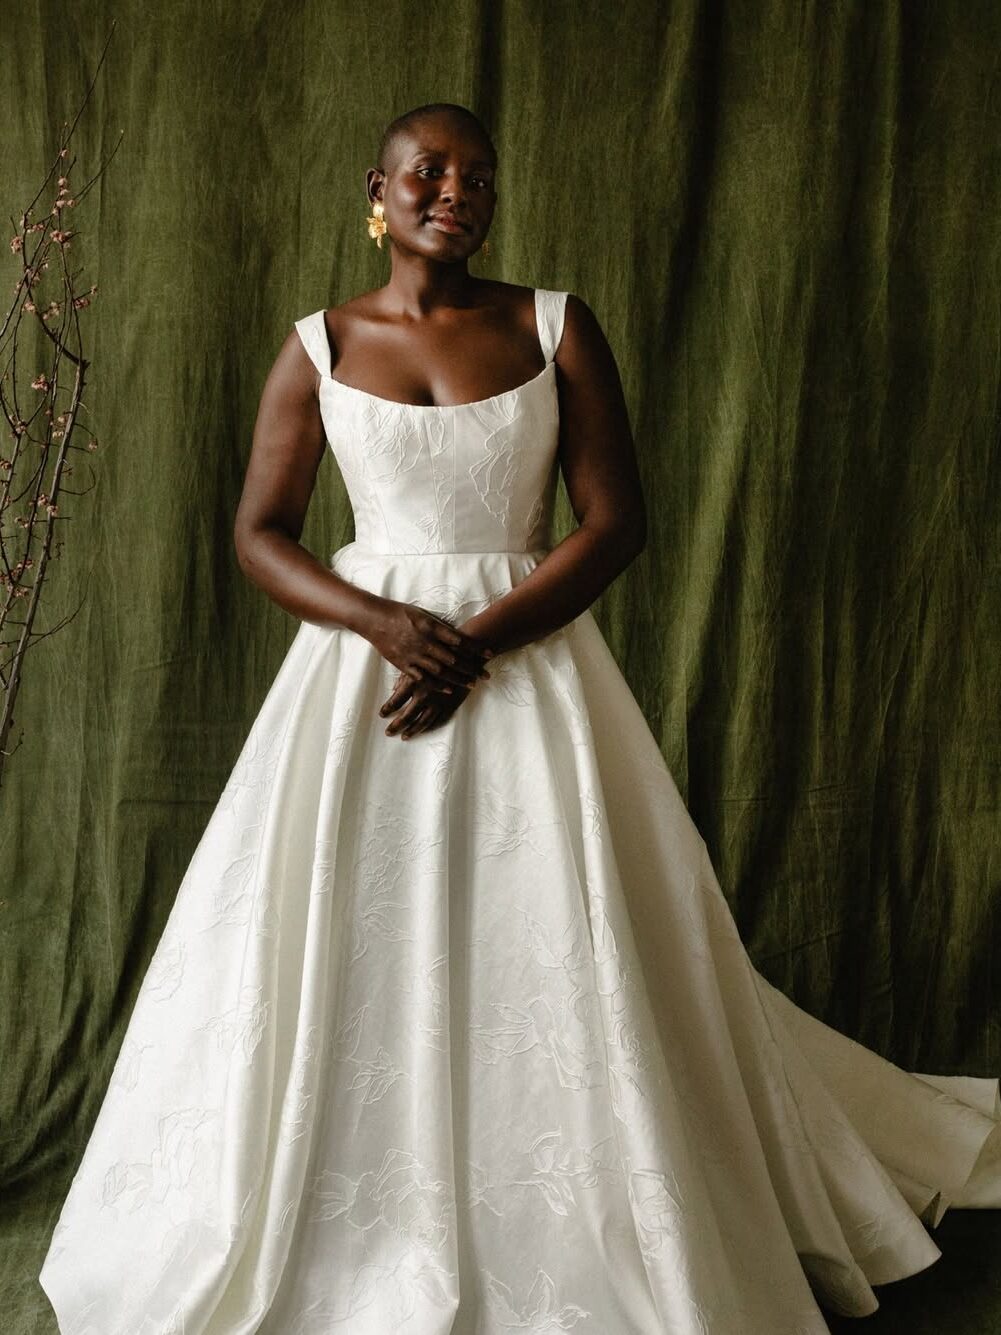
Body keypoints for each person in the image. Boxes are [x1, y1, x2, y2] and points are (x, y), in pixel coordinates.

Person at [39, 101, 1001, 1335]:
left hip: (530, 659)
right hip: (364, 682)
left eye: (476, 176)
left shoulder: (554, 326)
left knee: (562, 925)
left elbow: (615, 521)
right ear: (376, 191)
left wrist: (474, 644)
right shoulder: (317, 345)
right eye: (428, 171)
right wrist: (388, 627)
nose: (455, 190)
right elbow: (257, 535)